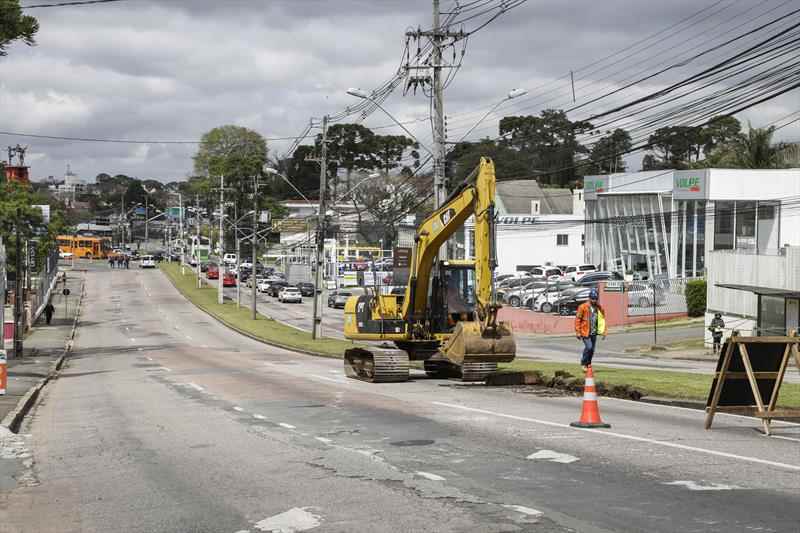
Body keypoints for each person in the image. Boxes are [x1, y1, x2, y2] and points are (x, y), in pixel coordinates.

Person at [574, 288, 607, 372]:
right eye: (592, 298)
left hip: (594, 332)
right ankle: (583, 363)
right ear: (589, 298)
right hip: (585, 332)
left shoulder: (599, 307)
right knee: (589, 347)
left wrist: (604, 331)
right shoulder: (583, 307)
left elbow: (602, 320)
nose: (594, 300)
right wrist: (577, 332)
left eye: (595, 299)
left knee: (592, 350)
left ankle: (588, 364)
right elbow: (578, 319)